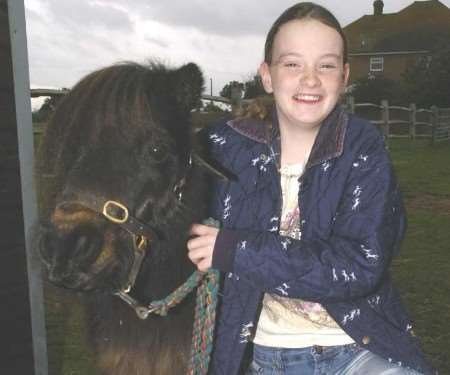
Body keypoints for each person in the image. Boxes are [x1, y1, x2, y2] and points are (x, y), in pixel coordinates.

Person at [187, 3, 434, 374]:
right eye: (292, 64)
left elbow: (359, 264)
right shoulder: (222, 148)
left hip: (352, 350)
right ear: (267, 76)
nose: (310, 79)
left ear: (344, 76)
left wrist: (236, 250)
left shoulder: (361, 148)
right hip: (253, 356)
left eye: (326, 65)